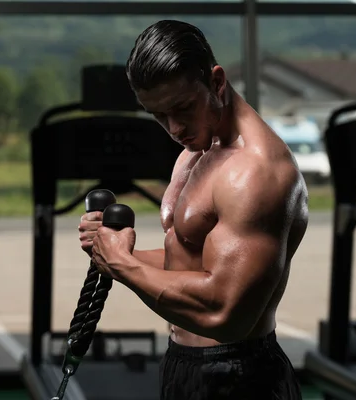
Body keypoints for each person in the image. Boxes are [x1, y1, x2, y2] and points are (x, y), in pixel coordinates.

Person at [78, 20, 308, 400]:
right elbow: (187, 264)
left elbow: (226, 315)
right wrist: (117, 250)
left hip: (239, 375)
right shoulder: (198, 150)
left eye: (182, 108)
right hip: (185, 364)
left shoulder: (255, 173)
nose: (173, 128)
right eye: (158, 115)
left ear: (216, 82)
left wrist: (122, 265)